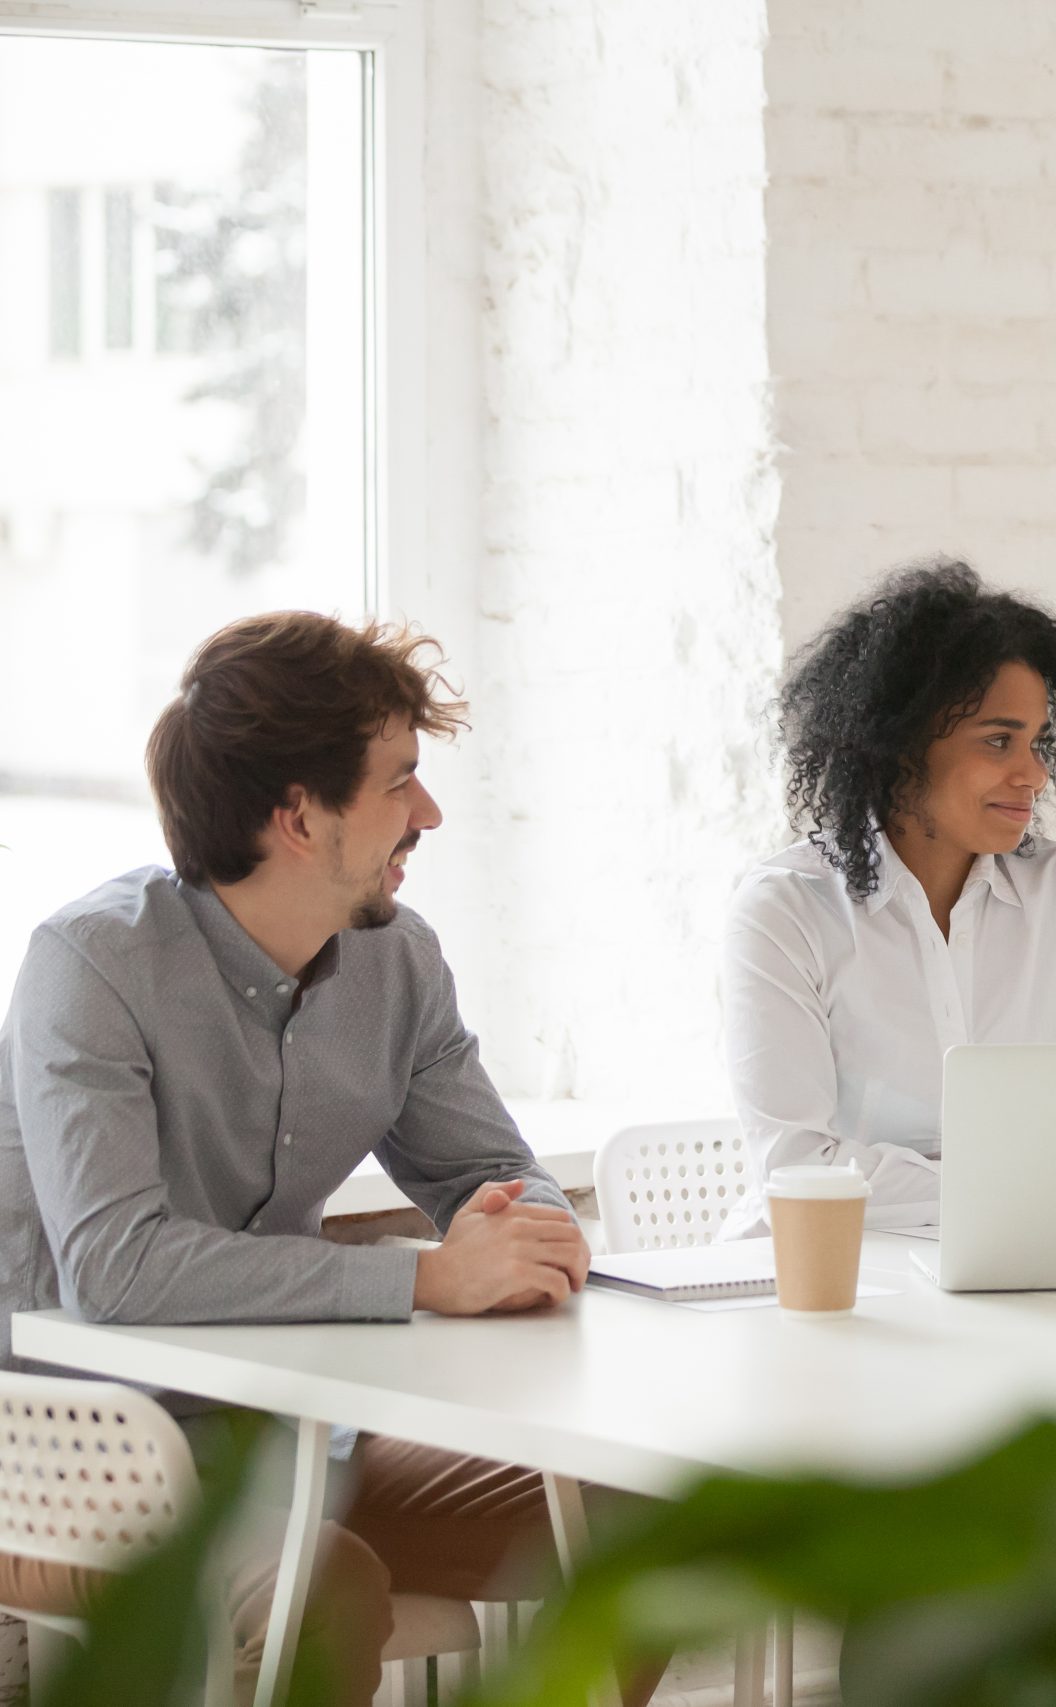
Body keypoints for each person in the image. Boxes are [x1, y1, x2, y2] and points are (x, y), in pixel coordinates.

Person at [0, 612, 661, 1705]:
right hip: (71, 1463)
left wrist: (527, 1230)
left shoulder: (398, 965)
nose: (429, 814)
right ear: (299, 816)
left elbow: (495, 1173)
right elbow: (116, 1268)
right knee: (325, 1592)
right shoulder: (92, 966)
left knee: (635, 1519)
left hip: (295, 1445)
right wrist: (428, 1275)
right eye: (400, 782)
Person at [719, 559, 1056, 1235]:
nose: (1035, 774)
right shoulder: (785, 912)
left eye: (1038, 741)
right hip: (822, 1276)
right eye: (998, 740)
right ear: (898, 745)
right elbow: (798, 1166)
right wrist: (1033, 1186)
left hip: (1027, 1260)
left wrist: (1030, 1194)